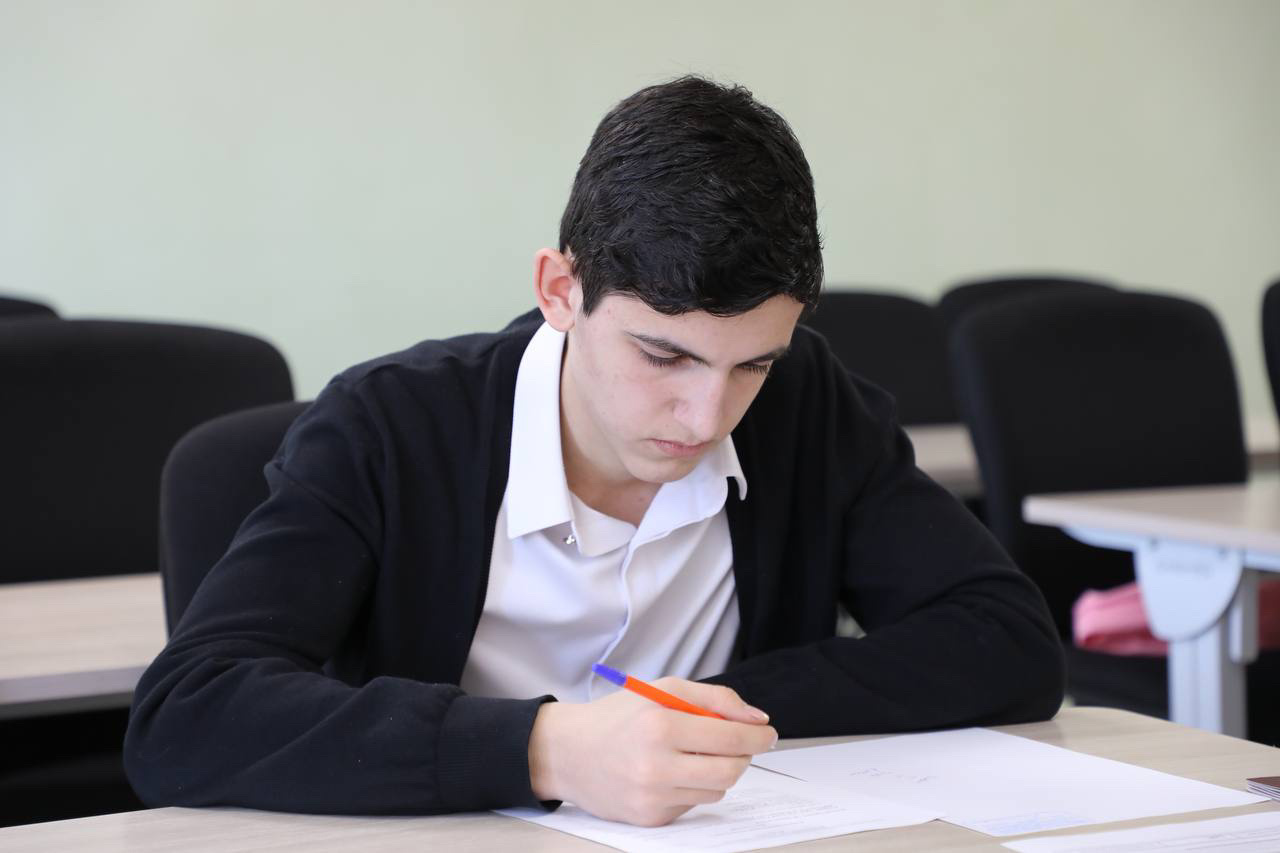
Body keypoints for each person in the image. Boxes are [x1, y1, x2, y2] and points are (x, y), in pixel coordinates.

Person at [124, 76, 1063, 827]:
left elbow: (1007, 640)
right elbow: (187, 713)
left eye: (752, 364)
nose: (707, 415)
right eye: (664, 355)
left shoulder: (805, 401)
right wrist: (552, 750)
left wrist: (702, 710)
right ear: (560, 290)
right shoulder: (388, 426)